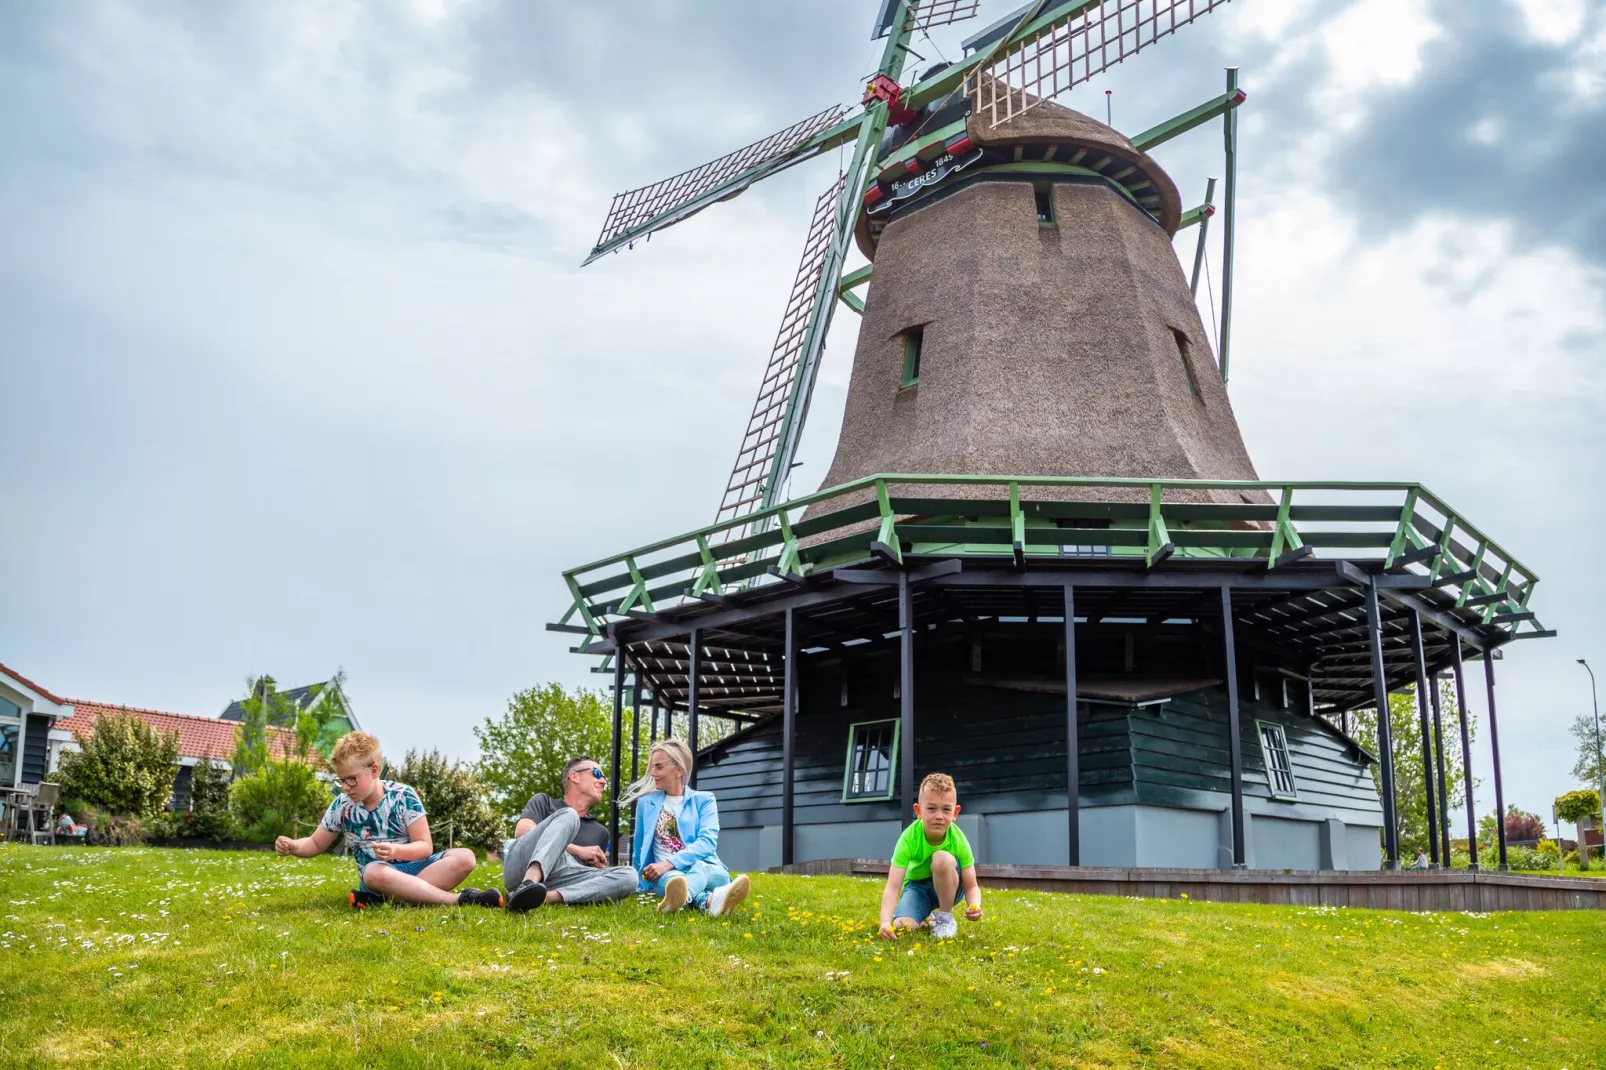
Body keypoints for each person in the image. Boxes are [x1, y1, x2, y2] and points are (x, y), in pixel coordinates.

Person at [275, 730, 503, 909]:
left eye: (352, 779)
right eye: (341, 780)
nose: (345, 787)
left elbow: (425, 847)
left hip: (416, 868)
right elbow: (315, 843)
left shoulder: (404, 796)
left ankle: (396, 899)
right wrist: (293, 846)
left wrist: (395, 852)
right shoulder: (342, 806)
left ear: (374, 771)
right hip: (378, 878)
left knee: (465, 857)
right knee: (373, 872)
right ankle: (458, 900)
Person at [624, 739, 749, 916]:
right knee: (673, 882)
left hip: (709, 870)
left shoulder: (704, 800)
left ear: (679, 771)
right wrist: (640, 882)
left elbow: (707, 843)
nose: (652, 773)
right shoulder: (646, 803)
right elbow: (639, 846)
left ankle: (682, 897)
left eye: (659, 767)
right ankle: (709, 902)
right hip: (667, 877)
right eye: (652, 767)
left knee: (698, 869)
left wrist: (668, 863)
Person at [502, 755, 640, 913]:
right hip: (522, 865)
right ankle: (527, 883)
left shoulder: (600, 832)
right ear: (574, 776)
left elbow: (580, 877)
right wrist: (577, 850)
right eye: (596, 774)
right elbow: (522, 832)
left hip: (559, 878)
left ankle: (541, 898)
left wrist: (600, 870)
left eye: (604, 778)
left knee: (630, 875)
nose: (603, 781)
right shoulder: (544, 802)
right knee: (570, 815)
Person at [878, 772, 983, 940]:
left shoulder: (958, 839)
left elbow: (971, 885)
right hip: (918, 888)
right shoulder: (909, 838)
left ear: (955, 813)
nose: (939, 816)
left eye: (946, 809)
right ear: (918, 810)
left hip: (950, 886)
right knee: (902, 926)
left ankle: (945, 919)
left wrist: (975, 905)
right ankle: (927, 918)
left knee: (941, 858)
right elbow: (893, 886)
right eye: (931, 808)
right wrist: (884, 922)